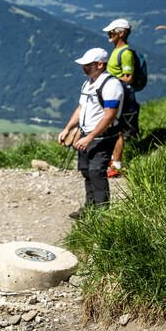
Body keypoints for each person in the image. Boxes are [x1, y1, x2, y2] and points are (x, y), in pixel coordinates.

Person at [58, 47, 123, 216]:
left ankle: (102, 214)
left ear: (100, 64)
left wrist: (90, 137)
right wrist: (68, 129)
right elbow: (81, 109)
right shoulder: (88, 84)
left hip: (103, 136)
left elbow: (109, 116)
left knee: (96, 172)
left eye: (87, 64)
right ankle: (90, 208)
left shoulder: (112, 85)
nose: (83, 67)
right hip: (87, 135)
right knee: (86, 171)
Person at [102, 19, 139, 178]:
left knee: (118, 129)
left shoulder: (126, 53)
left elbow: (129, 78)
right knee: (112, 127)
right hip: (115, 94)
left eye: (112, 32)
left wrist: (110, 81)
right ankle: (113, 160)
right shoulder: (117, 51)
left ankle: (116, 165)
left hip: (122, 96)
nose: (109, 35)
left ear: (121, 33)